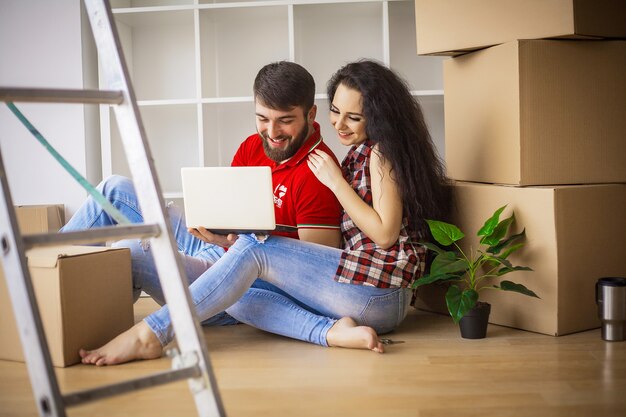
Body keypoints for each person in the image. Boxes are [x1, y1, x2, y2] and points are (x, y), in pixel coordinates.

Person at [79, 59, 452, 366]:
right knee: (116, 191)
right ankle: (51, 275)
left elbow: (383, 236)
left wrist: (334, 182)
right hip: (359, 283)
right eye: (337, 111)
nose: (339, 124)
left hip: (379, 292)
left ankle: (153, 333)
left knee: (247, 259)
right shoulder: (360, 153)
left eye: (353, 118)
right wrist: (220, 233)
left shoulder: (366, 157)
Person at [62, 61, 343, 328]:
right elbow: (232, 210)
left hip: (235, 283)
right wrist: (216, 228)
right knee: (114, 190)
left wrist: (239, 249)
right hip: (215, 247)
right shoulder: (253, 146)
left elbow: (310, 275)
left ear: (310, 115)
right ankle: (45, 277)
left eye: (285, 121)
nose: (272, 132)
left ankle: (72, 310)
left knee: (132, 251)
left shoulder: (319, 174)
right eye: (262, 118)